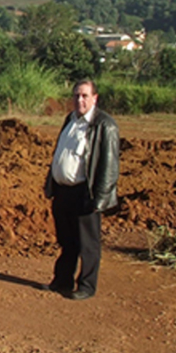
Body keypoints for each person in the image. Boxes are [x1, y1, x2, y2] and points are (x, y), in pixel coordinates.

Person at [42, 79, 120, 300]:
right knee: (67, 241)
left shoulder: (105, 125)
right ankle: (62, 280)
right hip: (63, 191)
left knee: (88, 244)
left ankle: (86, 285)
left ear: (95, 98)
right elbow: (60, 154)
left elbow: (110, 165)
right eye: (76, 95)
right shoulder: (71, 120)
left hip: (85, 193)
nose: (80, 100)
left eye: (85, 96)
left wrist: (101, 199)